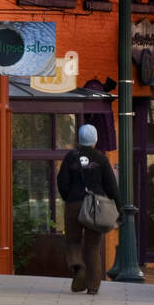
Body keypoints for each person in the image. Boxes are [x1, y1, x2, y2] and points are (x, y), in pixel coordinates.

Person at [56, 123, 121, 294]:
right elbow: (112, 187)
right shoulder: (101, 159)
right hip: (95, 206)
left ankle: (78, 267)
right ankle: (93, 287)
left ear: (79, 139)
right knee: (93, 246)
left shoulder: (71, 157)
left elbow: (61, 181)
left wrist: (68, 198)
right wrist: (119, 210)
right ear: (95, 140)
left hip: (74, 204)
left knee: (73, 241)